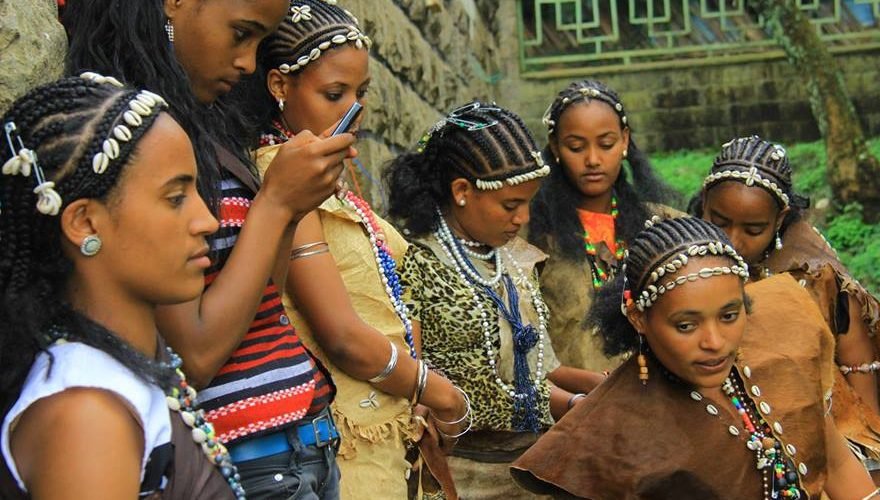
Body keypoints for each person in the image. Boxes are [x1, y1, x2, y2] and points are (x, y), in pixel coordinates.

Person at [63, 1, 358, 497]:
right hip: (244, 457)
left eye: (260, 43)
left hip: (302, 440)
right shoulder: (128, 138)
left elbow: (262, 304)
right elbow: (192, 356)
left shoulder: (203, 125)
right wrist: (276, 203)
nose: (247, 63)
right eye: (241, 34)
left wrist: (287, 209)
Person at [249, 1, 470, 498]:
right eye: (334, 93)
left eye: (361, 92)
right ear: (280, 86)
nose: (353, 108)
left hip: (390, 429)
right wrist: (438, 392)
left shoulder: (332, 177)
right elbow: (343, 336)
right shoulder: (282, 175)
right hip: (349, 444)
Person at [511, 216, 880, 499]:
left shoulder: (780, 355)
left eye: (730, 315)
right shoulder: (610, 434)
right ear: (639, 318)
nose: (715, 342)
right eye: (686, 325)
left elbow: (836, 462)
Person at [0, 75, 237, 498]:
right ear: (85, 223)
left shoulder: (128, 370)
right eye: (175, 197)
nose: (208, 221)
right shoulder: (86, 417)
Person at [690, 136, 880, 496]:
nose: (733, 240)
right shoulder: (685, 264)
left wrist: (876, 469)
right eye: (719, 221)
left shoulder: (814, 275)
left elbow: (859, 372)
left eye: (753, 229)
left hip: (819, 442)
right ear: (703, 205)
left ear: (780, 219)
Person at [387, 102, 604, 499]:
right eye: (510, 205)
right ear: (462, 192)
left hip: (532, 466)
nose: (522, 218)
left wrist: (606, 388)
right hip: (462, 473)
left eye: (528, 203)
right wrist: (576, 406)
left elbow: (542, 368)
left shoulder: (513, 260)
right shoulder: (419, 264)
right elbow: (476, 392)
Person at [529, 80, 681, 373]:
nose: (593, 160)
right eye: (576, 147)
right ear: (555, 147)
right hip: (575, 404)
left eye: (606, 144)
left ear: (625, 141)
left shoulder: (666, 226)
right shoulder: (532, 236)